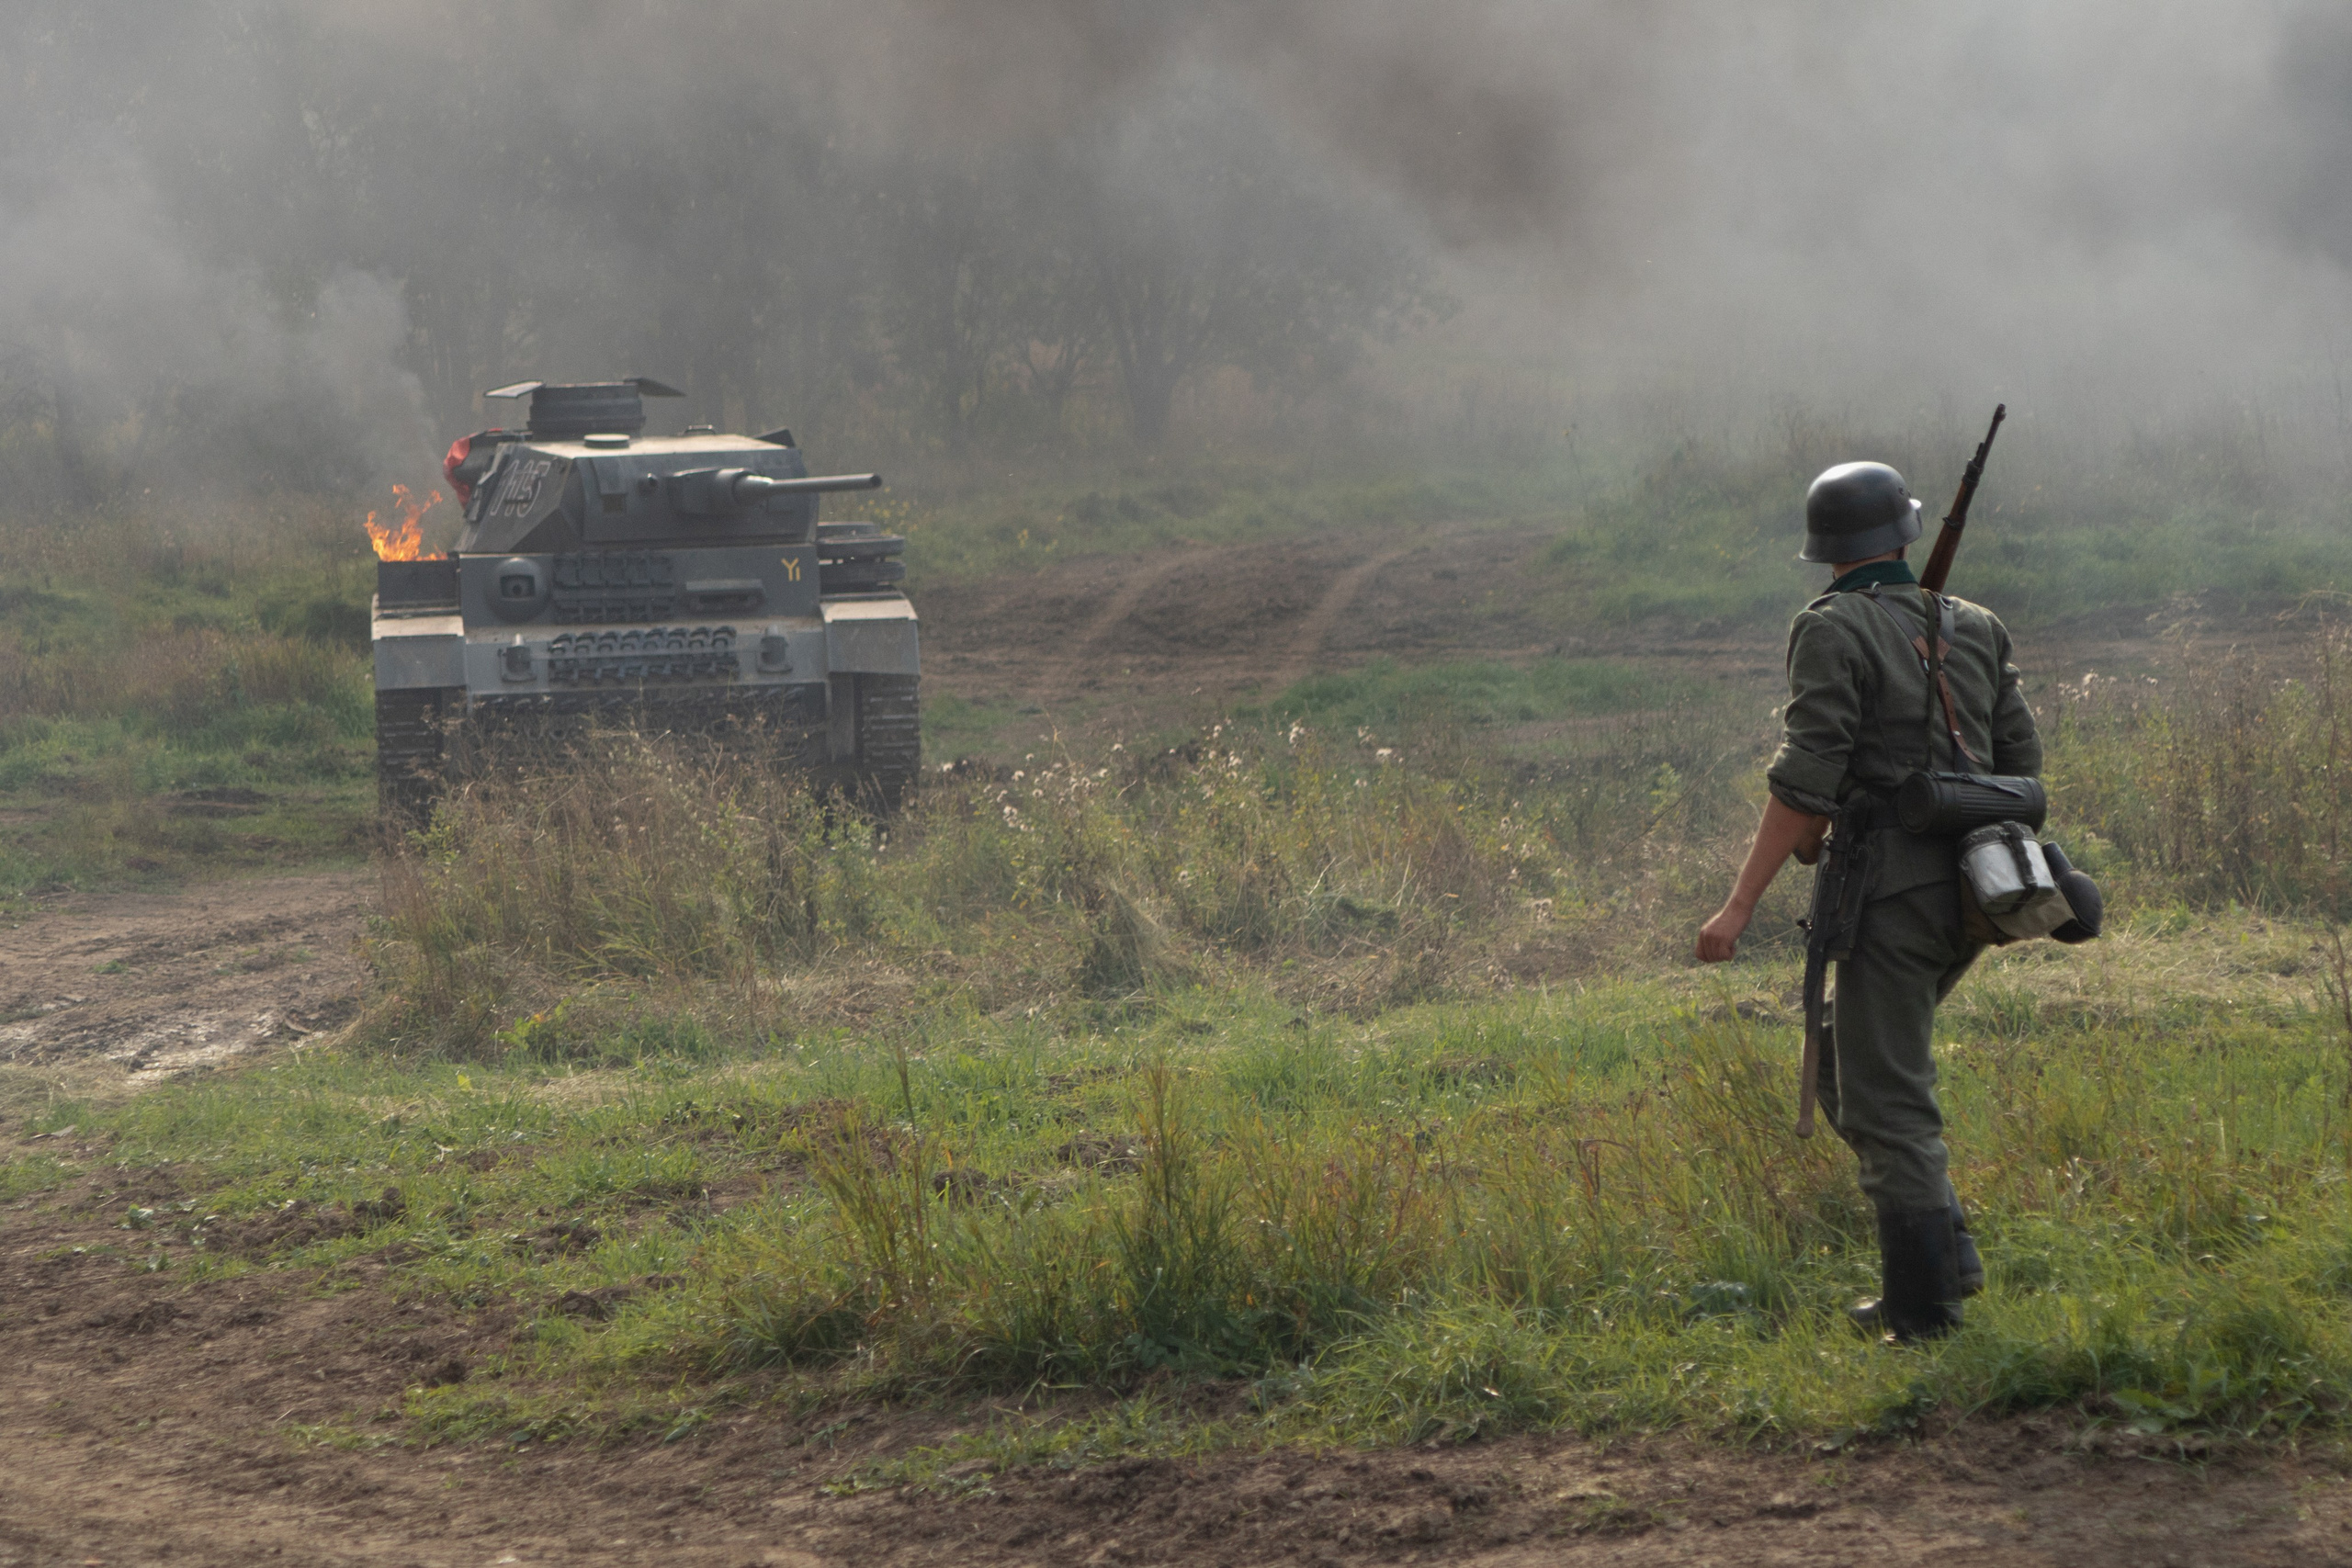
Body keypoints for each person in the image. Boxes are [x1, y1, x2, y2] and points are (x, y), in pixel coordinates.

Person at [1695, 459, 2041, 1342]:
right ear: (1905, 534)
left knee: (1887, 1102)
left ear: (1824, 550)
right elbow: (2022, 770)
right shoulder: (1977, 625)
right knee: (1843, 1068)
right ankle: (1945, 1254)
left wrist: (1737, 906)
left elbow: (1805, 778)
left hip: (1891, 896)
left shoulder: (1834, 628)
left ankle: (1925, 1319)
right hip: (1980, 888)